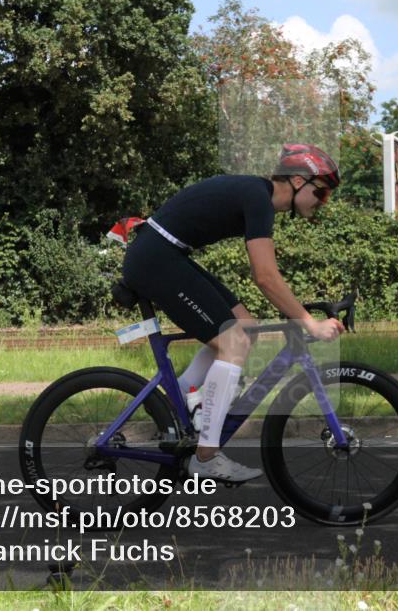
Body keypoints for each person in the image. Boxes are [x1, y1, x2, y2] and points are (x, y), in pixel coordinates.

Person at [121, 144, 346, 482]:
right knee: (234, 342)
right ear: (298, 180)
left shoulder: (258, 195)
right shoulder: (259, 197)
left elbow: (267, 276)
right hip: (156, 258)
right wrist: (309, 323)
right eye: (322, 192)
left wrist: (299, 313)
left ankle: (176, 401)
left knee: (244, 325)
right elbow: (266, 276)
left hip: (164, 253)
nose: (323, 201)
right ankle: (206, 456)